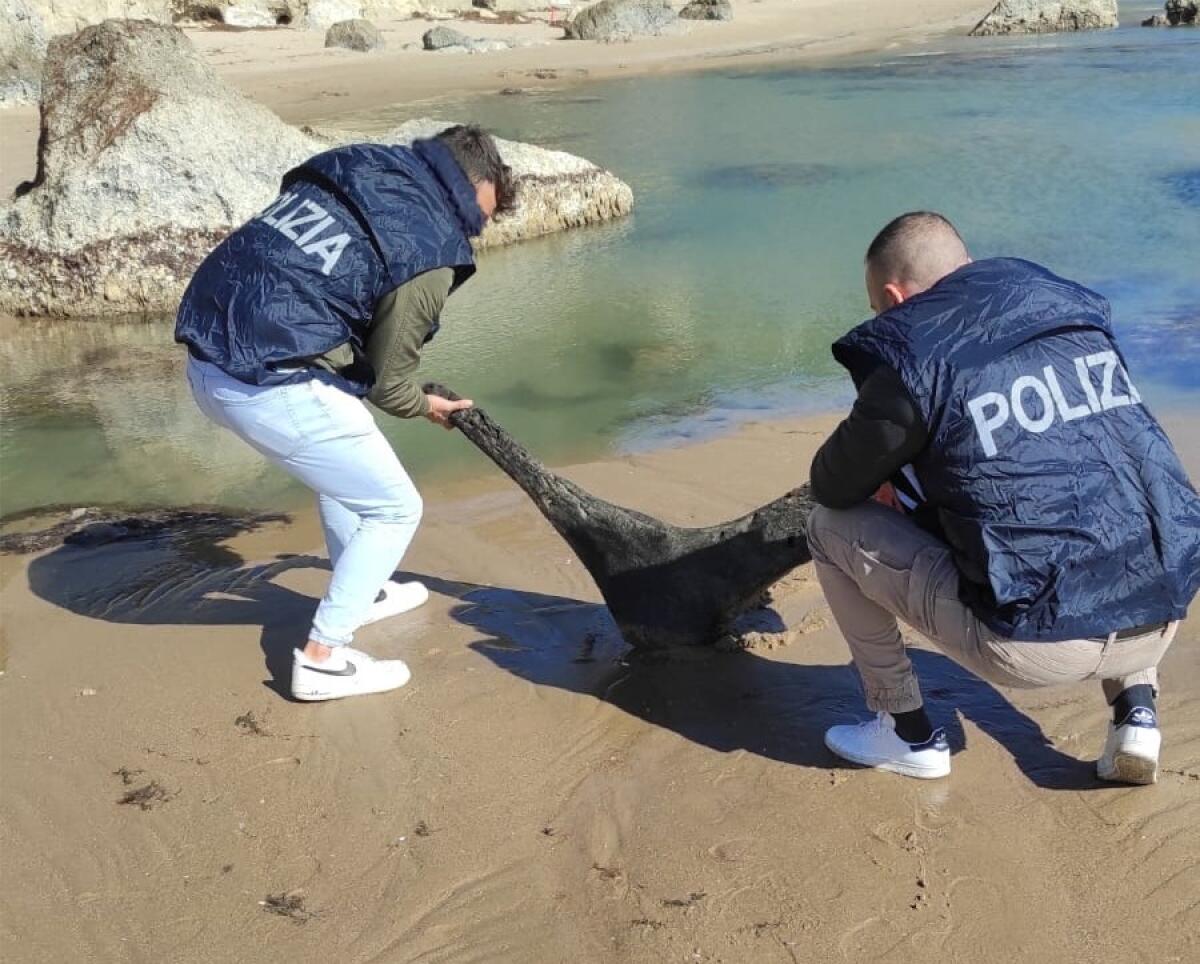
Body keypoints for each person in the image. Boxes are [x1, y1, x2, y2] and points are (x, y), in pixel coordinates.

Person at [807, 212, 1200, 783]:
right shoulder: (1066, 309)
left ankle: (905, 732)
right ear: (964, 265)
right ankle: (1136, 714)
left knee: (827, 526)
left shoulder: (912, 353)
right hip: (1165, 612)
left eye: (878, 310)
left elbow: (831, 483)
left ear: (893, 297)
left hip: (1038, 646)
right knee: (1105, 489)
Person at [176, 125, 515, 702]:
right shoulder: (431, 246)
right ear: (472, 185)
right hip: (267, 381)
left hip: (208, 356)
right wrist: (423, 405)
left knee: (344, 465)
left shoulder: (359, 162)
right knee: (394, 507)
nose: (474, 233)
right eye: (477, 219)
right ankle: (322, 659)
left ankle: (367, 588)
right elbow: (388, 384)